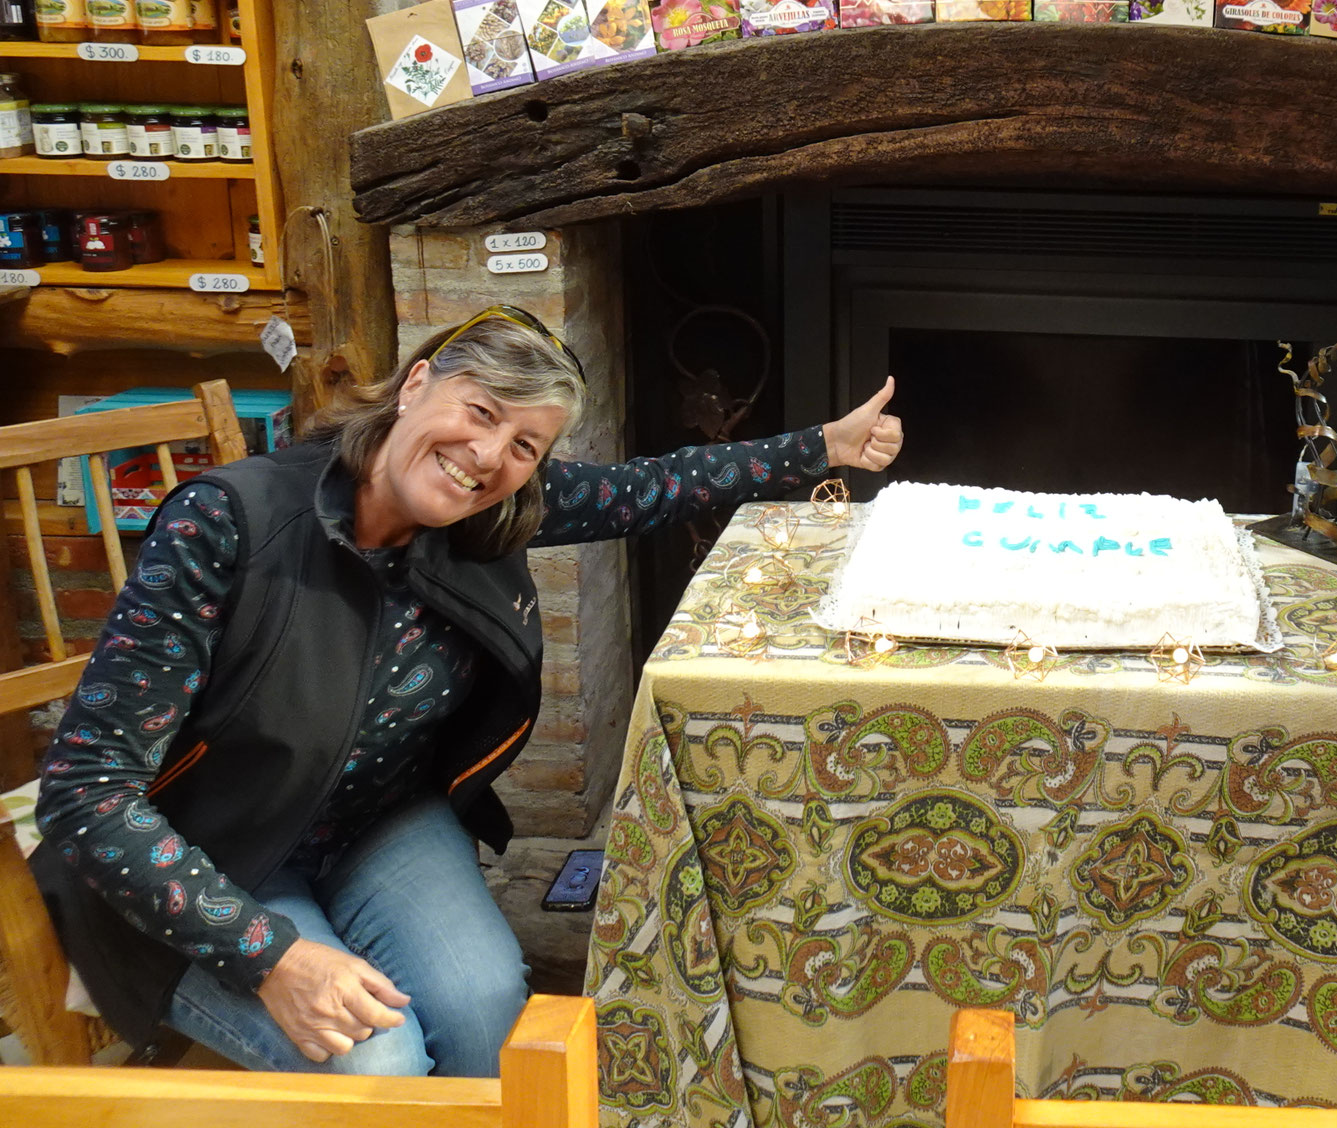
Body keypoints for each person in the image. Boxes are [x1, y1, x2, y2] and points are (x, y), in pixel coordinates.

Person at [33, 305, 904, 1075]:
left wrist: (823, 447)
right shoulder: (226, 524)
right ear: (416, 384)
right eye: (480, 411)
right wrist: (271, 956)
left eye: (525, 445)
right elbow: (86, 794)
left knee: (489, 1013)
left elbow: (647, 489)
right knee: (377, 1060)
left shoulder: (492, 508)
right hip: (213, 850)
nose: (486, 456)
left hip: (377, 821)